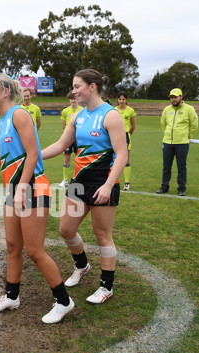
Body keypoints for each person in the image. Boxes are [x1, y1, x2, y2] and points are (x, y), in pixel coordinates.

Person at [0, 73, 74, 324]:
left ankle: (64, 301)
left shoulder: (20, 114)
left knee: (34, 250)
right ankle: (12, 296)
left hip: (32, 188)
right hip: (16, 190)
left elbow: (33, 154)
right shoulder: (1, 122)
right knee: (12, 246)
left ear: (5, 92)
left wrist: (21, 187)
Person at [41, 69, 127, 305]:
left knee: (102, 236)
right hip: (79, 182)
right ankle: (82, 266)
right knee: (66, 229)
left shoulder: (111, 116)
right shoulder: (77, 116)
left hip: (103, 182)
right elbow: (61, 144)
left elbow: (122, 154)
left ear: (92, 87)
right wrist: (33, 156)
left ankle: (106, 287)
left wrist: (109, 185)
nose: (74, 91)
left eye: (78, 86)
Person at [156, 88, 198, 196]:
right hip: (167, 142)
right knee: (166, 166)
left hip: (182, 143)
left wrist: (187, 136)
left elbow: (194, 125)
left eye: (175, 97)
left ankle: (182, 188)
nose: (173, 99)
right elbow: (163, 123)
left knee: (181, 166)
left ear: (181, 97)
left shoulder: (189, 109)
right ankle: (164, 186)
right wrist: (167, 134)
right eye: (171, 97)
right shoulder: (166, 109)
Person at [58, 91, 83, 188]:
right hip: (68, 139)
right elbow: (63, 126)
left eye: (75, 98)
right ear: (69, 100)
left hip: (79, 139)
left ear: (78, 99)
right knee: (66, 159)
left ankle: (77, 178)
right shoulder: (65, 111)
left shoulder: (82, 110)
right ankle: (64, 180)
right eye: (71, 99)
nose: (73, 100)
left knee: (79, 159)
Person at [115, 92, 137, 191]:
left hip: (126, 136)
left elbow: (133, 126)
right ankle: (115, 181)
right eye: (120, 99)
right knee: (114, 159)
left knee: (126, 159)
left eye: (123, 99)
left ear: (126, 100)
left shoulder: (130, 110)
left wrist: (128, 134)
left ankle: (127, 183)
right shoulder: (113, 110)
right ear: (117, 100)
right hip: (115, 136)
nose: (121, 101)